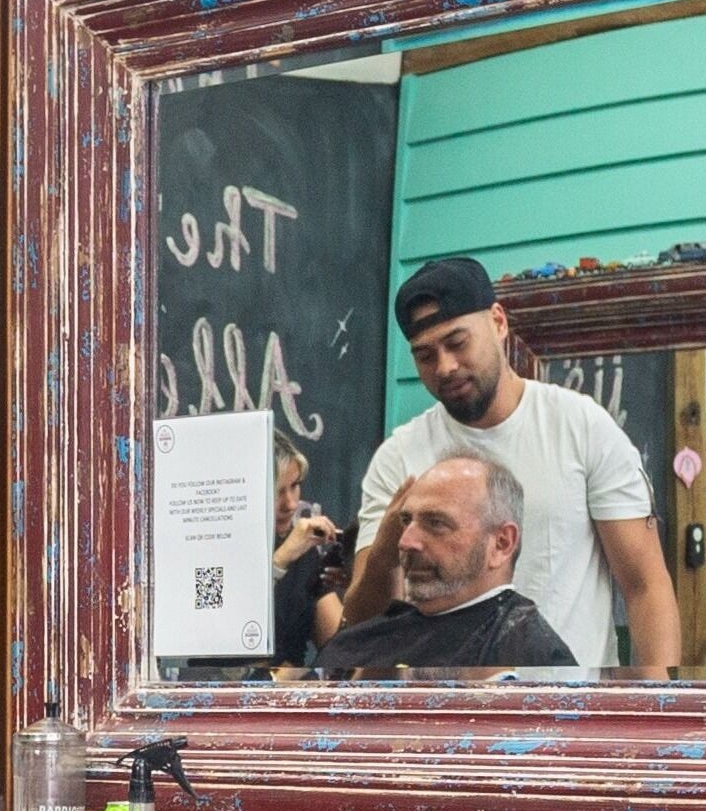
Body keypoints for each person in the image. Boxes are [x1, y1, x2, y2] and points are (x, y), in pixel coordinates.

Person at [346, 256, 679, 671]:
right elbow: (363, 628)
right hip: (445, 704)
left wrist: (657, 700)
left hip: (570, 701)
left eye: (457, 342)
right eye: (425, 355)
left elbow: (646, 587)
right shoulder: (399, 457)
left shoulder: (581, 427)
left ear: (498, 322)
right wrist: (383, 555)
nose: (445, 367)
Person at [314, 455, 578, 675]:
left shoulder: (534, 655)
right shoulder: (369, 637)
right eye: (405, 521)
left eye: (436, 523)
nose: (405, 542)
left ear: (501, 543)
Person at [268, 432, 344, 671]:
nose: (290, 504)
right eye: (276, 491)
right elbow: (212, 627)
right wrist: (279, 561)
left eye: (294, 486)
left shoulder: (304, 552)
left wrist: (356, 585)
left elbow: (340, 647)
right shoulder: (209, 549)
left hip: (290, 688)